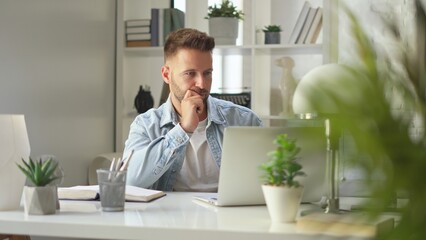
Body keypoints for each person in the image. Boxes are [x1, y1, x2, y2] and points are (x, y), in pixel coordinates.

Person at [123, 28, 262, 192]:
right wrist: (183, 129)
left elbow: (271, 182)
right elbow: (129, 181)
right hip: (169, 217)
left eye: (207, 73)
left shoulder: (245, 120)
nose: (202, 84)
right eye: (190, 73)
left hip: (227, 216)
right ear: (167, 75)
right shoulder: (146, 125)